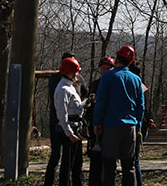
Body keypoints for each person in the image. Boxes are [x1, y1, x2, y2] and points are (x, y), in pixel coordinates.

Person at [92, 45, 144, 186]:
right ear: (130, 61)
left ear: (117, 58)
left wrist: (97, 122)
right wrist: (138, 126)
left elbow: (101, 102)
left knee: (109, 167)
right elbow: (140, 106)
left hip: (111, 126)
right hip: (130, 127)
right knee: (129, 167)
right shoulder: (136, 79)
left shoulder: (108, 76)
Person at [45, 52, 88, 186]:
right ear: (68, 72)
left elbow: (76, 106)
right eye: (75, 72)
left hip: (74, 126)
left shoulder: (70, 86)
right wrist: (69, 133)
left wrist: (88, 102)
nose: (77, 75)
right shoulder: (63, 88)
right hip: (67, 129)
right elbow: (62, 114)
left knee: (72, 162)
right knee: (65, 162)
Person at [86, 56, 115, 186]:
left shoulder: (115, 84)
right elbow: (89, 105)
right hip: (96, 125)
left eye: (108, 69)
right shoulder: (95, 84)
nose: (105, 71)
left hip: (110, 125)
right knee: (95, 157)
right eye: (103, 68)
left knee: (108, 158)